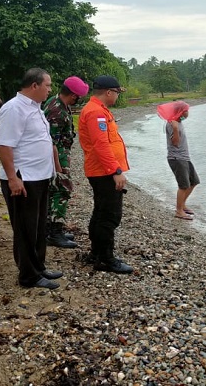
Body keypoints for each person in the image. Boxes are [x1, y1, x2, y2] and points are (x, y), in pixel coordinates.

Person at [0, 68, 64, 290]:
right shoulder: (14, 109)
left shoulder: (36, 108)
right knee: (25, 228)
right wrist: (12, 178)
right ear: (34, 85)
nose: (50, 90)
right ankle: (28, 276)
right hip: (23, 178)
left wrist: (54, 165)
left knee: (38, 226)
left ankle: (38, 266)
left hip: (40, 176)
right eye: (48, 85)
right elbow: (5, 146)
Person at [78, 75, 133, 274]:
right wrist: (115, 171)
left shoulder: (100, 111)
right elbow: (101, 145)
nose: (118, 96)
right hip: (103, 172)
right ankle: (106, 259)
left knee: (101, 213)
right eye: (117, 92)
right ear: (109, 92)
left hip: (101, 170)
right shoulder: (95, 113)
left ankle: (97, 253)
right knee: (109, 216)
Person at [43, 76, 90, 248]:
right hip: (58, 156)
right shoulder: (57, 111)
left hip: (61, 154)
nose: (78, 100)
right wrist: (58, 166)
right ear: (72, 95)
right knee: (61, 191)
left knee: (55, 191)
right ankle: (54, 232)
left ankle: (51, 229)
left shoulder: (58, 103)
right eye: (78, 97)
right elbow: (51, 142)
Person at [158, 101, 200, 219]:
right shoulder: (172, 124)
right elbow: (175, 143)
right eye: (186, 111)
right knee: (183, 185)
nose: (188, 113)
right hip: (177, 158)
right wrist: (175, 129)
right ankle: (179, 211)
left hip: (185, 157)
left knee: (194, 182)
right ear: (181, 111)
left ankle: (182, 205)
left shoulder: (178, 122)